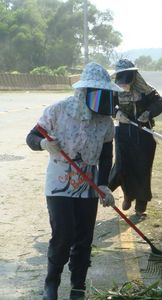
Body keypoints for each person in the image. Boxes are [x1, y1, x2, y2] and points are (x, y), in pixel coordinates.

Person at [26, 62, 122, 300]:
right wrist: (44, 144)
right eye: (99, 93)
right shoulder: (58, 111)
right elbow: (32, 136)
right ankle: (51, 283)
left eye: (107, 93)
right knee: (63, 233)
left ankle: (78, 285)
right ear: (84, 92)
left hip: (88, 185)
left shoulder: (105, 123)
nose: (105, 98)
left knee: (84, 237)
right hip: (59, 182)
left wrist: (103, 184)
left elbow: (106, 155)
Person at [108, 59, 162, 219]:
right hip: (124, 133)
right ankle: (128, 195)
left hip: (144, 134)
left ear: (133, 75)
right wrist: (116, 113)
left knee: (142, 169)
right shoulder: (113, 90)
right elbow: (108, 105)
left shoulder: (146, 90)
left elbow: (159, 103)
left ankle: (141, 204)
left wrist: (148, 113)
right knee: (123, 166)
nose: (124, 81)